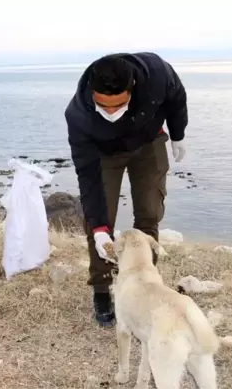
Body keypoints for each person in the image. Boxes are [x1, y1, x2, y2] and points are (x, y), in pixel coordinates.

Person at [64, 52, 188, 327]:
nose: (110, 112)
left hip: (148, 143)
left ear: (132, 90)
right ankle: (102, 290)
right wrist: (97, 227)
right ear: (92, 92)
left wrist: (177, 134)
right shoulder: (79, 116)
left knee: (149, 213)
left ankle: (148, 286)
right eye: (103, 106)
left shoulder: (157, 74)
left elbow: (177, 96)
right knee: (101, 222)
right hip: (103, 155)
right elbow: (88, 175)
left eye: (118, 105)